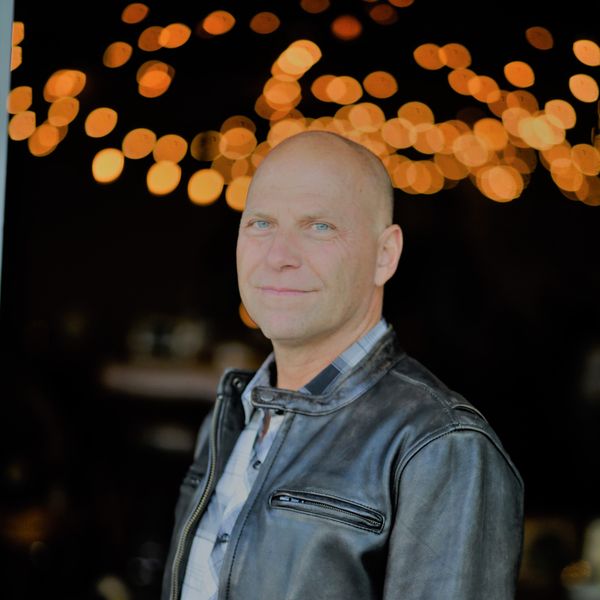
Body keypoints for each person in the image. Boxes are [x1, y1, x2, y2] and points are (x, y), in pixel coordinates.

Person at [161, 130, 524, 600]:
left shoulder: (441, 446)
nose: (279, 256)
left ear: (385, 256)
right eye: (262, 223)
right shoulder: (230, 416)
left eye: (319, 227)